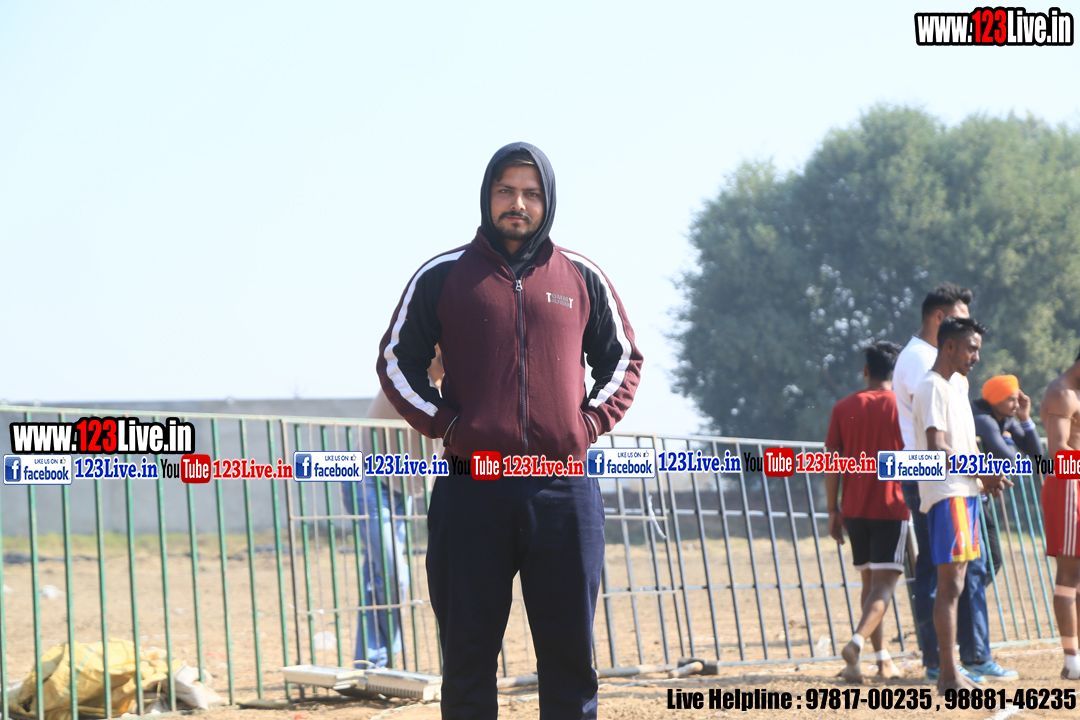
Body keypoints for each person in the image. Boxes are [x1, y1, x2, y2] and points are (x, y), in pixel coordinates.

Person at [375, 142, 642, 720]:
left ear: (548, 201)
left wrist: (588, 423)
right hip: (471, 489)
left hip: (563, 490)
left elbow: (623, 360)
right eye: (505, 191)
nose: (517, 203)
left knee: (570, 658)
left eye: (530, 193)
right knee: (468, 658)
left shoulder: (581, 275)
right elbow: (398, 360)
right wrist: (447, 424)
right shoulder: (443, 275)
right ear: (487, 196)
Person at [892, 283, 1016, 683]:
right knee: (948, 584)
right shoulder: (931, 385)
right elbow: (938, 447)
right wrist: (980, 470)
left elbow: (961, 442)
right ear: (949, 346)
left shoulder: (953, 385)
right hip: (948, 493)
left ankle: (956, 665)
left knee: (959, 580)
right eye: (970, 349)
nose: (976, 357)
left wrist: (982, 475)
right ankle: (946, 671)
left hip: (965, 491)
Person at [342, 349, 444, 668]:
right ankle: (383, 658)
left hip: (403, 487)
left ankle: (371, 662)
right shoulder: (413, 378)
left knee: (379, 575)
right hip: (369, 478)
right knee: (392, 574)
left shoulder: (449, 387)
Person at [824, 340, 907, 682]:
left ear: (865, 371)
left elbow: (831, 462)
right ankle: (857, 643)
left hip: (854, 509)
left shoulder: (843, 407)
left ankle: (882, 660)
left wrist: (833, 508)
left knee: (869, 583)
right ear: (896, 373)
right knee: (884, 585)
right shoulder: (903, 406)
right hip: (892, 506)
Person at [972, 375, 1044, 577]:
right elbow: (1009, 458)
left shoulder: (1005, 419)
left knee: (988, 562)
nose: (1017, 404)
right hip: (971, 494)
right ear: (996, 399)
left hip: (981, 494)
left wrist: (1025, 418)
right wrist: (1009, 442)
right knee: (989, 561)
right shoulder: (984, 420)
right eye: (1011, 399)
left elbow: (1036, 453)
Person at [1039, 347, 1080, 679]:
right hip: (1068, 486)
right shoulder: (1062, 393)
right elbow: (1057, 450)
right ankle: (1072, 661)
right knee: (1069, 575)